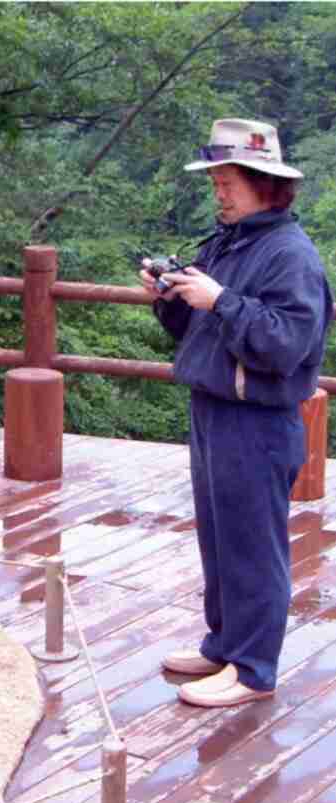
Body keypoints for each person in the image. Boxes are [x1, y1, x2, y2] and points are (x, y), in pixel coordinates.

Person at [139, 118, 333, 708]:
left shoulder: (289, 255)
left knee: (253, 542)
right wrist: (171, 300)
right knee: (220, 536)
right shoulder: (230, 240)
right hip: (214, 407)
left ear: (264, 185)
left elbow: (286, 345)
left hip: (258, 419)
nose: (218, 192)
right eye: (216, 181)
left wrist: (220, 298)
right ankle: (224, 644)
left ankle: (252, 669)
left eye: (227, 182)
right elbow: (202, 332)